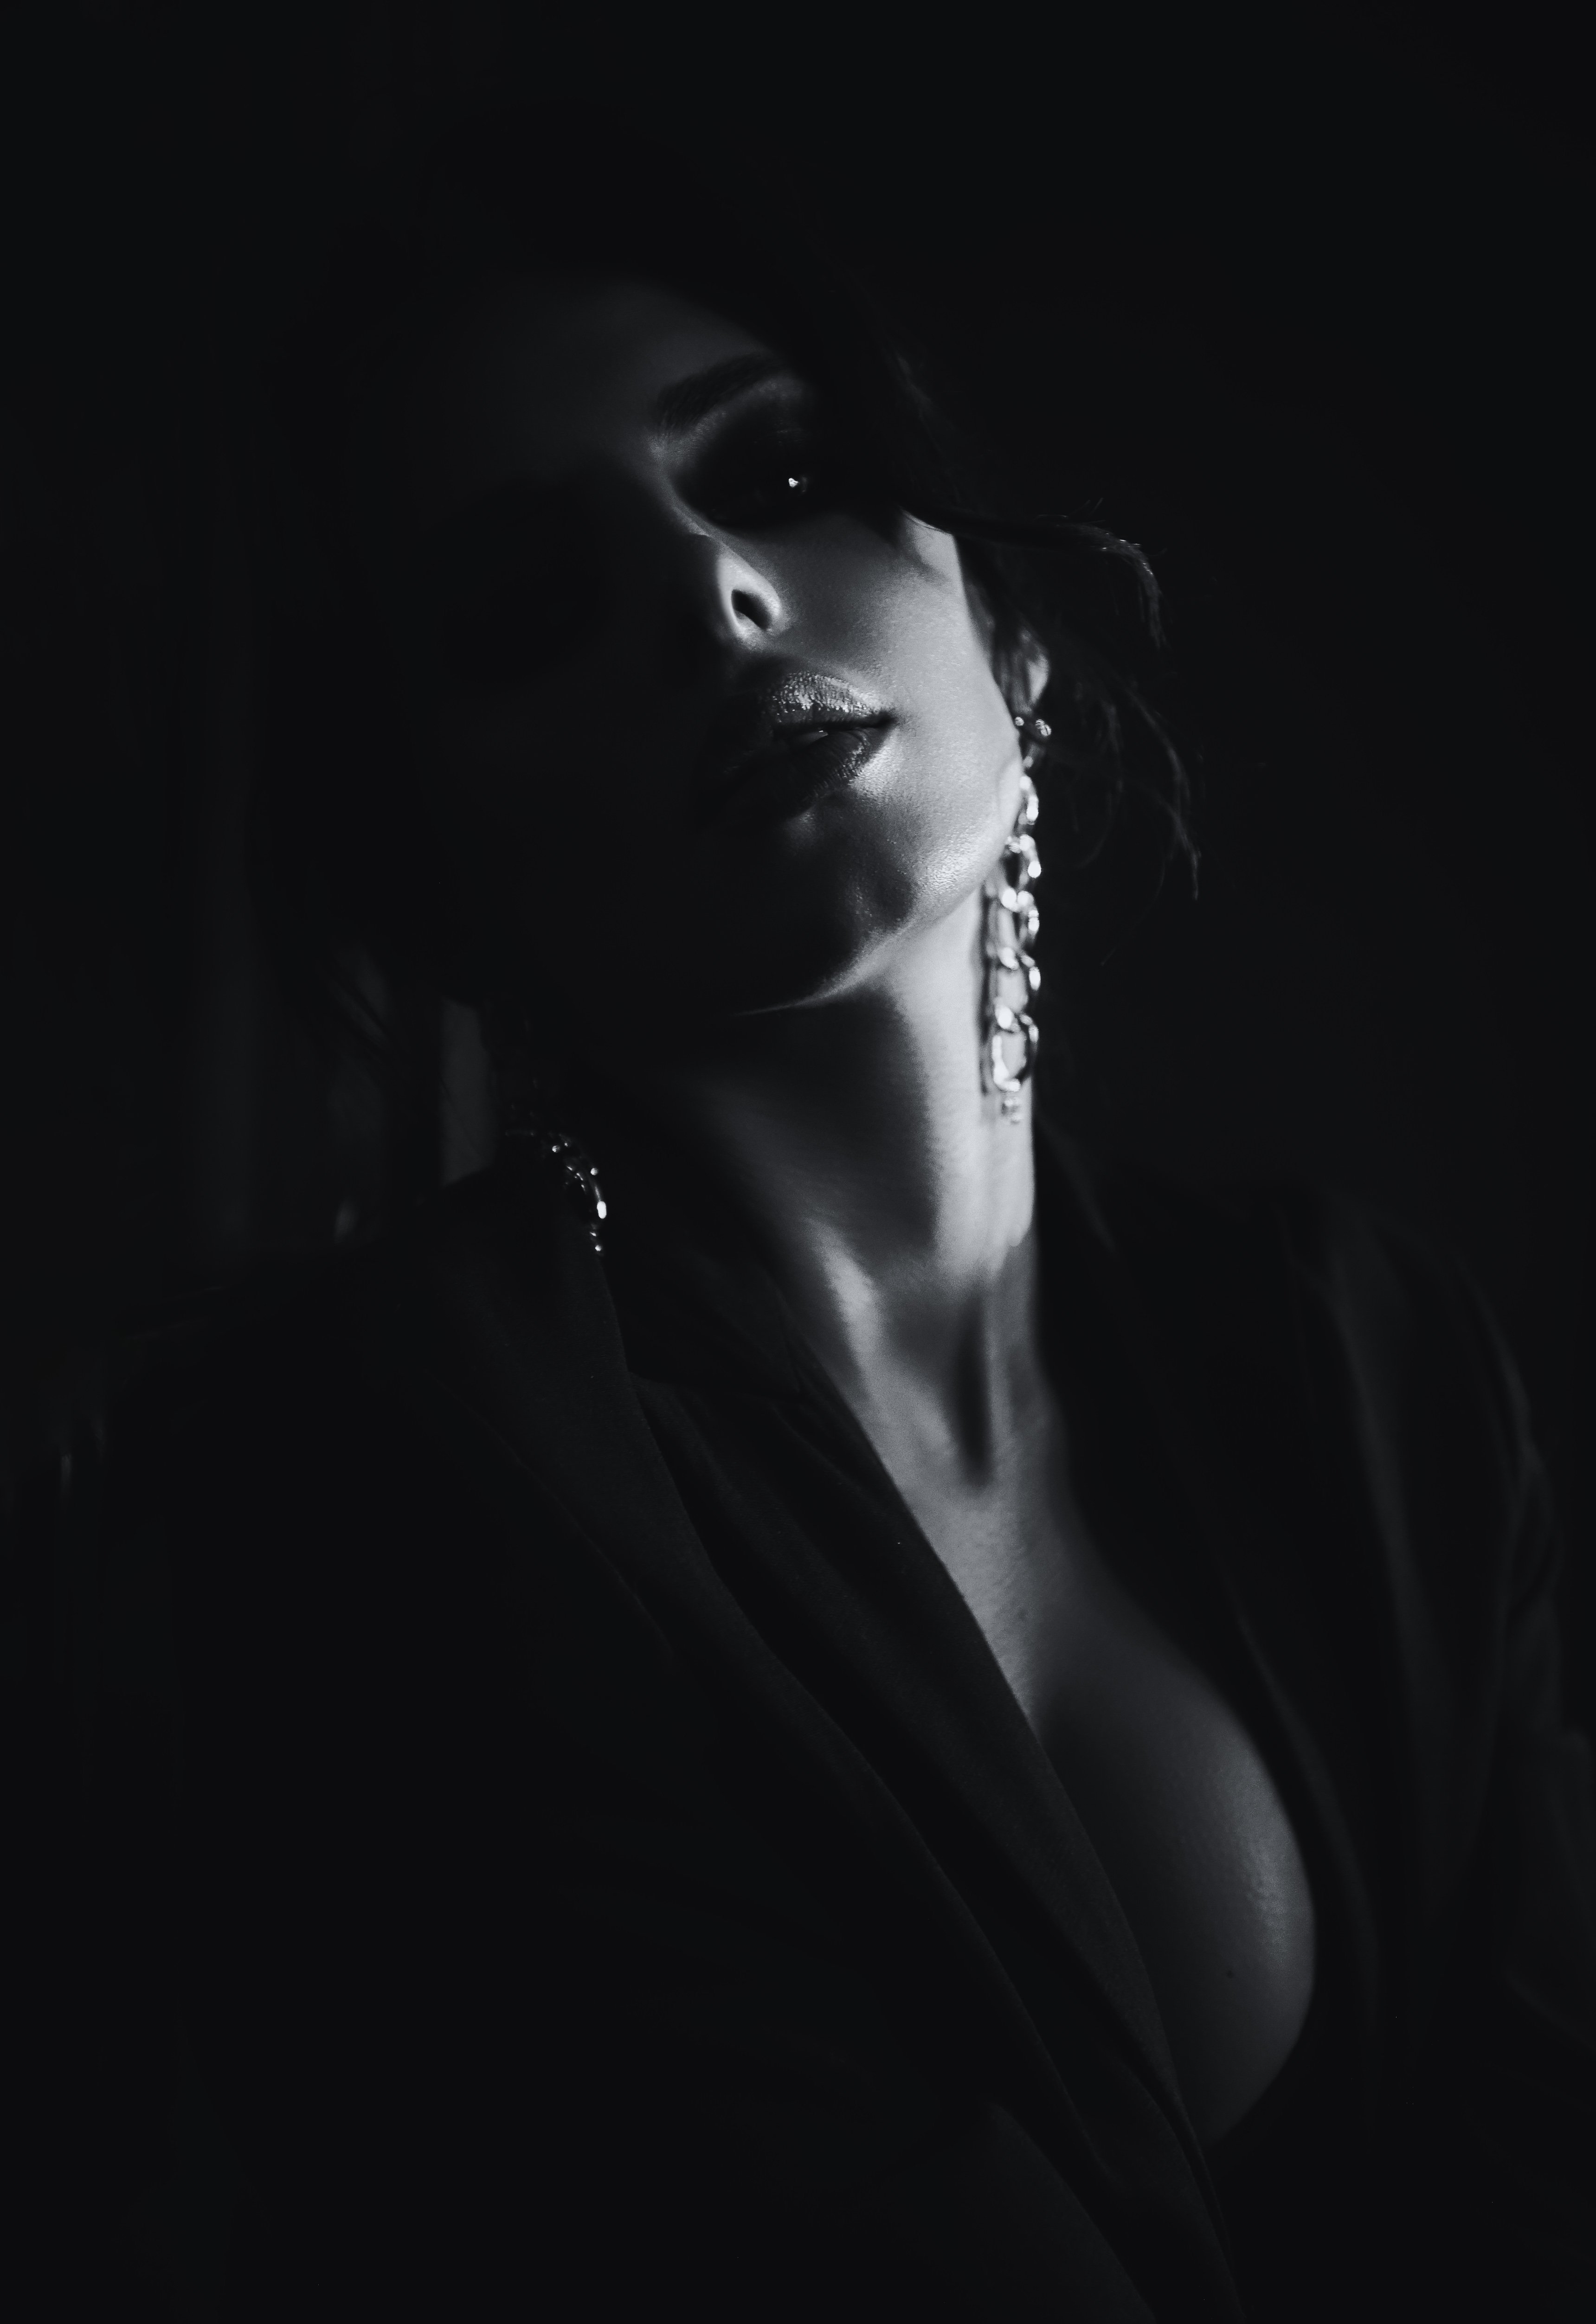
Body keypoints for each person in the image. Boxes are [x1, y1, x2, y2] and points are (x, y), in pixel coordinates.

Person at [128, 103, 1594, 2319]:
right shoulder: (405, 1467)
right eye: (528, 607)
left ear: (1005, 619)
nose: (703, 589)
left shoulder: (1374, 1366)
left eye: (780, 469)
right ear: (435, 867)